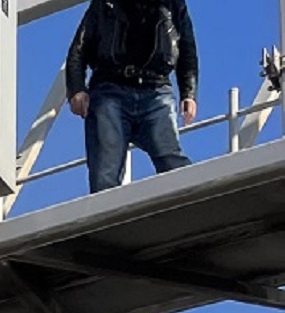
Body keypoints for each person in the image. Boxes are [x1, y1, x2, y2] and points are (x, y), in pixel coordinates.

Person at [67, 0, 199, 193]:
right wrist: (76, 89)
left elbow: (187, 49)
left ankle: (192, 207)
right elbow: (79, 48)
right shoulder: (104, 4)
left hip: (155, 88)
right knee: (106, 172)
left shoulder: (173, 4)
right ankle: (107, 220)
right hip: (110, 88)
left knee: (170, 159)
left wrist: (189, 93)